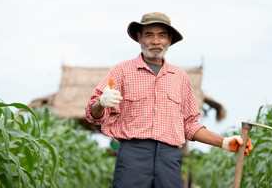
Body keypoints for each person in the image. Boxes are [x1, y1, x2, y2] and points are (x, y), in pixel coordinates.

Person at [85, 12, 252, 188]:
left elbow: (190, 125)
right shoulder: (120, 71)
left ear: (169, 40)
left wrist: (224, 142)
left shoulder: (180, 77)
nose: (155, 41)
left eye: (162, 35)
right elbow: (92, 114)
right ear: (140, 37)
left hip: (169, 158)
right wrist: (101, 103)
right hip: (133, 156)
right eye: (149, 35)